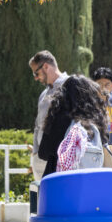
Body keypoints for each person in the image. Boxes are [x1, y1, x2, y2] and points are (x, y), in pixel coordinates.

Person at [28, 51, 68, 206]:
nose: (36, 78)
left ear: (45, 66)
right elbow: (38, 125)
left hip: (59, 159)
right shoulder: (44, 93)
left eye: (36, 73)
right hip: (41, 158)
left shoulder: (69, 86)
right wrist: (36, 152)